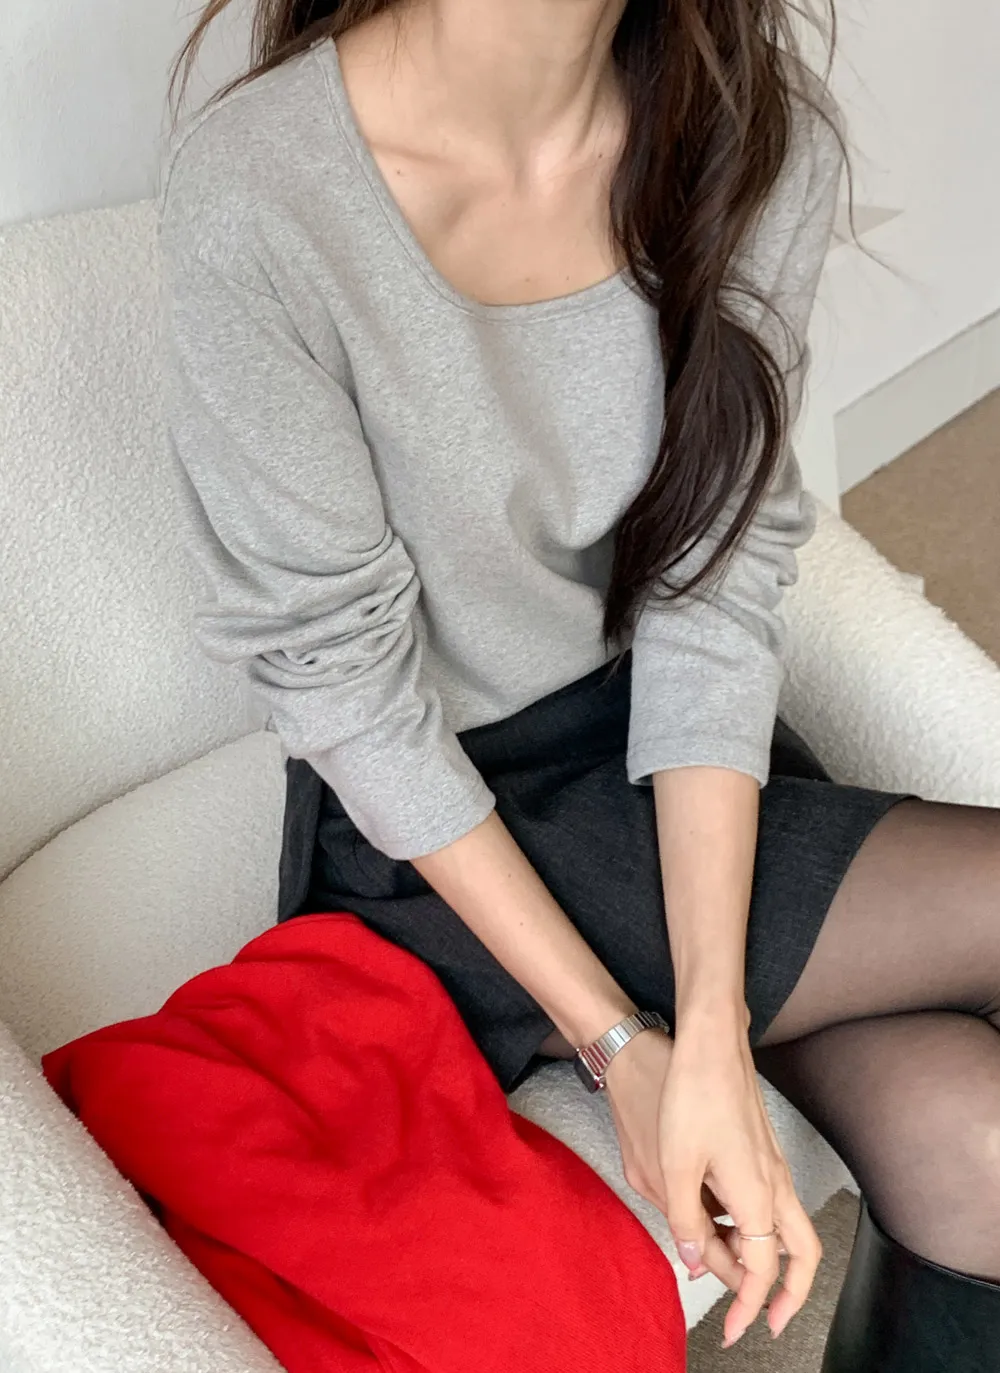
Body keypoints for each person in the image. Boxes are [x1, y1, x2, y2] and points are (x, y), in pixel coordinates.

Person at [158, 1, 1000, 1366]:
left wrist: (711, 1022)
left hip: (673, 747)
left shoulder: (747, 133)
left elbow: (711, 585)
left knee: (976, 1137)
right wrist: (622, 1046)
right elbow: (346, 687)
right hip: (439, 826)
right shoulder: (261, 190)